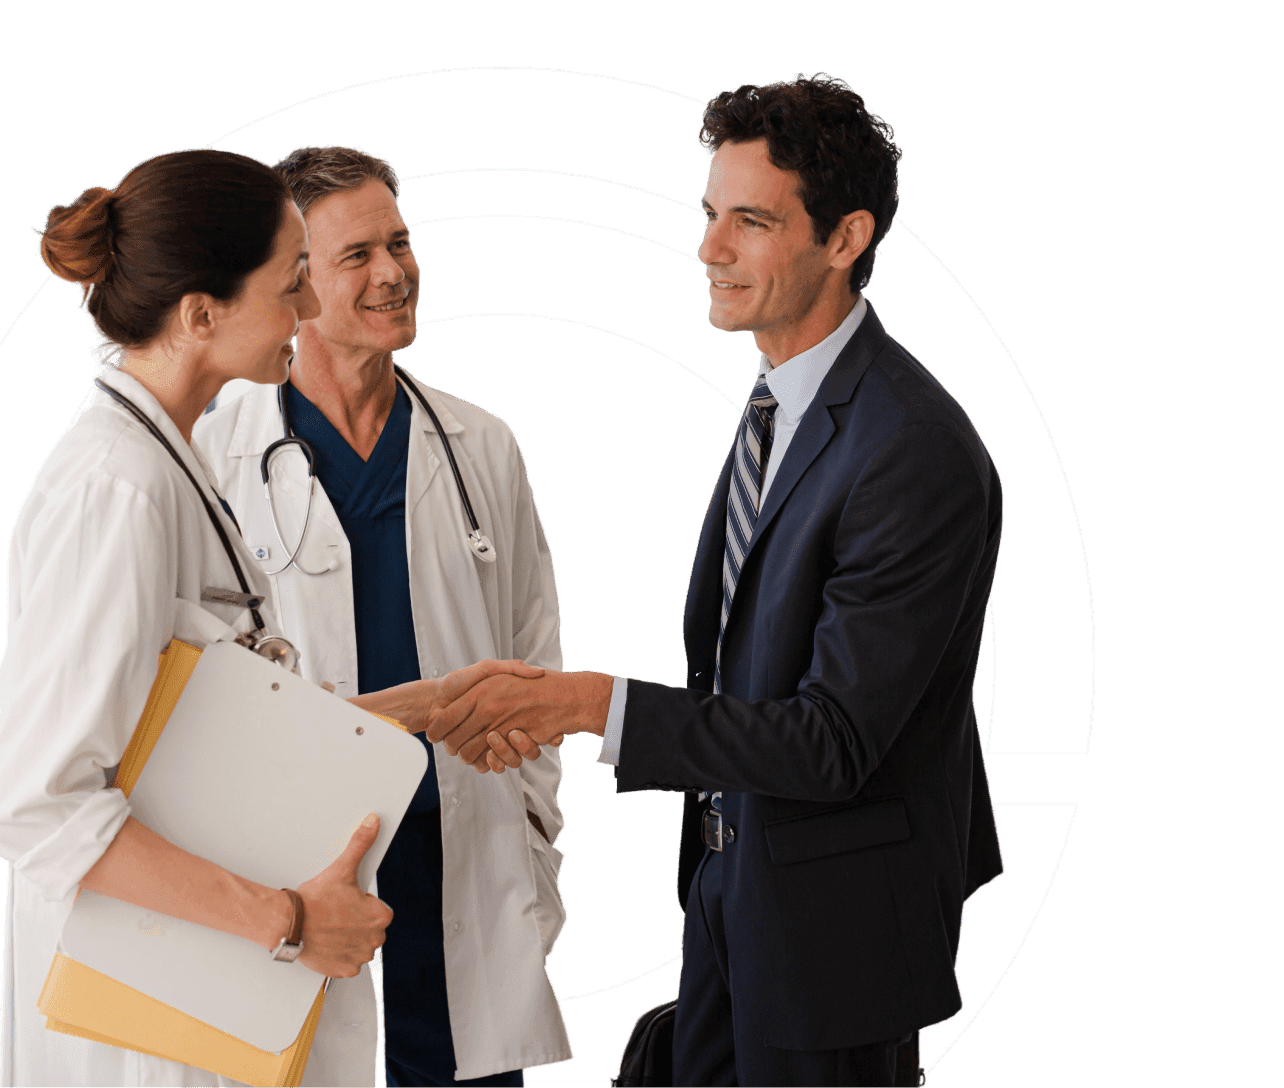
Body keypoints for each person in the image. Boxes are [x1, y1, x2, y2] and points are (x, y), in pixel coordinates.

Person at [427, 74, 1004, 1087]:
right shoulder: (782, 403)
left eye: (749, 222)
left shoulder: (909, 448)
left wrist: (589, 705)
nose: (710, 250)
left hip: (838, 934)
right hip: (737, 893)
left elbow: (832, 741)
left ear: (845, 237)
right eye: (707, 216)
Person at [0, 148, 529, 1087]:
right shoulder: (117, 489)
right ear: (202, 314)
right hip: (153, 1012)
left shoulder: (164, 462)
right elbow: (41, 805)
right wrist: (291, 919)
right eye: (292, 287)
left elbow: (204, 726)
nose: (309, 312)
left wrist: (422, 707)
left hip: (207, 985)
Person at [193, 147, 571, 1087]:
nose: (395, 272)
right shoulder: (213, 450)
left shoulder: (483, 444)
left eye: (399, 243)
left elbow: (536, 659)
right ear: (297, 281)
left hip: (462, 871)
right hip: (302, 877)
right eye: (357, 254)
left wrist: (534, 840)